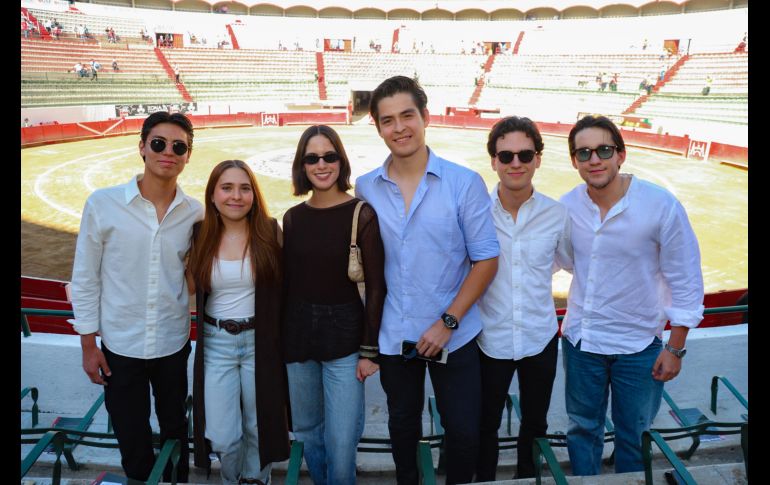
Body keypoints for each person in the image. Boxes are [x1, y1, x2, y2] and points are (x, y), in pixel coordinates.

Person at [355, 75, 499, 485]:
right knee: (402, 429)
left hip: (455, 332)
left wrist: (447, 322)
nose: (399, 127)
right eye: (387, 120)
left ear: (425, 117)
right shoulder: (365, 187)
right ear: (378, 127)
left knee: (464, 432)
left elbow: (486, 259)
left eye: (407, 115)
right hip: (394, 333)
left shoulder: (463, 182)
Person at [559, 115, 704, 475]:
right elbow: (563, 259)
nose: (594, 159)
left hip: (639, 347)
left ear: (620, 155)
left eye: (603, 150)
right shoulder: (567, 206)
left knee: (634, 435)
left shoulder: (660, 205)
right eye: (584, 153)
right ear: (574, 161)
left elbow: (685, 278)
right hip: (582, 343)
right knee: (582, 431)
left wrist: (675, 347)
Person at [68, 112, 202, 482]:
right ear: (142, 147)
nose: (168, 152)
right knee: (131, 436)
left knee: (176, 429)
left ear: (188, 156)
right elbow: (84, 277)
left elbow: (192, 277)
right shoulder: (102, 203)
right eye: (158, 143)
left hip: (173, 343)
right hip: (119, 347)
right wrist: (87, 345)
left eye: (179, 147)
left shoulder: (195, 212)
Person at [282, 125, 385, 485]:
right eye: (312, 158)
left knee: (342, 440)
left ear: (341, 160)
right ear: (302, 164)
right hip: (298, 340)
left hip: (345, 341)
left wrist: (369, 351)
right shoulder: (293, 217)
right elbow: (289, 285)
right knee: (308, 431)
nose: (321, 164)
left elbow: (376, 287)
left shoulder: (362, 213)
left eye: (329, 156)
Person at [475, 117, 572, 481]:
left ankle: (527, 479)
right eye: (506, 155)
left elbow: (562, 260)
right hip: (489, 339)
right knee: (485, 424)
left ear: (538, 159)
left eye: (525, 154)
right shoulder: (476, 213)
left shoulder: (556, 214)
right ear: (494, 161)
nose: (516, 163)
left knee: (536, 423)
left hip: (539, 337)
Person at [188, 160, 291, 485]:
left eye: (244, 188)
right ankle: (232, 480)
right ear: (213, 195)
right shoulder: (199, 234)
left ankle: (257, 481)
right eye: (227, 188)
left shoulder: (270, 231)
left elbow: (289, 288)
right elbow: (182, 285)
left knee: (258, 427)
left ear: (254, 195)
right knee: (222, 437)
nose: (236, 196)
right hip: (216, 342)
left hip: (259, 342)